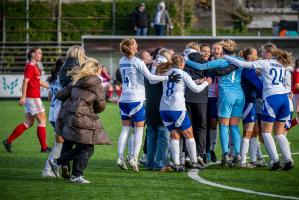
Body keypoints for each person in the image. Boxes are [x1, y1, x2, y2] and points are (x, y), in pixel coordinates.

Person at [224, 43, 294, 170]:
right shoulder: (281, 65)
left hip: (272, 98)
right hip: (284, 98)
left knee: (266, 132)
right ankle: (288, 159)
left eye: (262, 52)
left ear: (268, 52)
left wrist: (226, 57)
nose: (261, 55)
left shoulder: (265, 62)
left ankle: (275, 161)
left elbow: (242, 64)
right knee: (279, 133)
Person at [116, 38, 181, 172]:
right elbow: (151, 78)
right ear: (132, 47)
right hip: (136, 99)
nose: (137, 46)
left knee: (125, 131)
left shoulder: (121, 61)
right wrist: (168, 77)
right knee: (139, 132)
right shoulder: (137, 61)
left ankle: (120, 157)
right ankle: (134, 157)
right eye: (136, 45)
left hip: (123, 99)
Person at [49, 58, 111, 184]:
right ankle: (61, 165)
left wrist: (74, 99)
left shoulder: (76, 81)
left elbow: (60, 95)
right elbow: (100, 107)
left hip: (70, 118)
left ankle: (72, 173)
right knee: (87, 148)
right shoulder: (97, 85)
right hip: (84, 120)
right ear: (95, 70)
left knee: (80, 145)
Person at [185, 39, 245, 167]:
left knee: (223, 125)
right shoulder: (241, 61)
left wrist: (186, 60)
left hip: (226, 95)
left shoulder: (222, 61)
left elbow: (201, 66)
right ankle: (238, 154)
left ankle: (225, 154)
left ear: (223, 50)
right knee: (234, 126)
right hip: (240, 94)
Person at [157, 54, 211, 171]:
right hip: (177, 108)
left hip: (164, 109)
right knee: (189, 135)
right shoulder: (183, 74)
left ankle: (176, 163)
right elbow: (196, 89)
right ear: (182, 64)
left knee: (174, 134)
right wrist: (206, 83)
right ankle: (194, 161)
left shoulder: (166, 72)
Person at [3, 47, 51, 153]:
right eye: (39, 53)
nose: (41, 55)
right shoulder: (30, 66)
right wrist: (23, 96)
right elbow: (25, 81)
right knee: (42, 121)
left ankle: (8, 141)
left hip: (31, 98)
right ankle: (44, 148)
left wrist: (50, 87)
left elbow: (37, 81)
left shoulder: (34, 66)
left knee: (28, 123)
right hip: (33, 97)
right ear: (33, 54)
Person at [57, 45, 88, 179]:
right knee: (82, 141)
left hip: (65, 106)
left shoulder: (63, 68)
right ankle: (77, 172)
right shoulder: (80, 68)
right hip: (78, 105)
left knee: (68, 139)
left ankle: (64, 163)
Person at [238, 47, 263, 168]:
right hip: (248, 102)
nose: (257, 57)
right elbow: (259, 86)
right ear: (249, 57)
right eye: (255, 54)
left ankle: (253, 160)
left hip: (250, 102)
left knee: (254, 132)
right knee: (248, 132)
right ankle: (243, 161)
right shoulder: (248, 69)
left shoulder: (249, 68)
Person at [42, 57, 65, 177]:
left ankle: (56, 167)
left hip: (52, 112)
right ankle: (48, 169)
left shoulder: (52, 79)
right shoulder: (63, 79)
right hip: (59, 113)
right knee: (60, 143)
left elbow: (49, 98)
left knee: (62, 142)